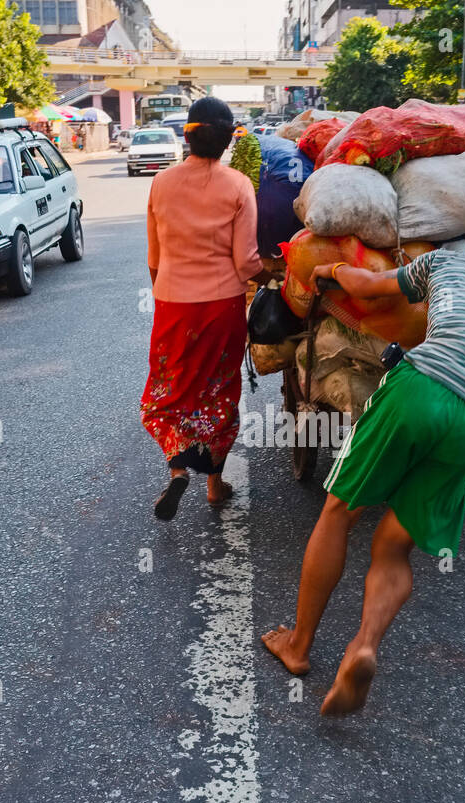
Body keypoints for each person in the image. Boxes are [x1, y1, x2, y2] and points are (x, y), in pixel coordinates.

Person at [260, 205, 465, 715]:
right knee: (394, 549)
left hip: (418, 388)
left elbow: (368, 286)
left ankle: (298, 645)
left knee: (338, 513)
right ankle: (364, 646)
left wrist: (326, 271)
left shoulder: (445, 265)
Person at [142, 96, 273, 519]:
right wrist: (272, 275)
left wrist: (167, 292)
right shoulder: (237, 185)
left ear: (188, 134)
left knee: (172, 389)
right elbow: (245, 261)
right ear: (228, 140)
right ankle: (215, 484)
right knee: (218, 391)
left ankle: (178, 467)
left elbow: (154, 259)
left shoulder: (161, 182)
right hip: (222, 307)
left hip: (173, 304)